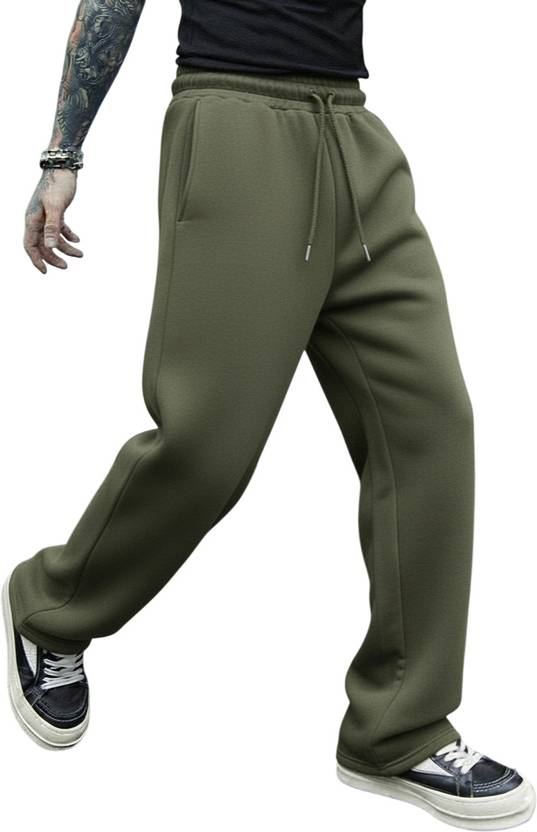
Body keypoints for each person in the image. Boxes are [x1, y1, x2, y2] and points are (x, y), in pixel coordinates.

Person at [3, 1, 534, 828]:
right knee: (210, 441)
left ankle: (398, 727)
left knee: (431, 429)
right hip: (235, 120)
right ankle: (51, 607)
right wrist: (62, 155)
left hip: (353, 130)